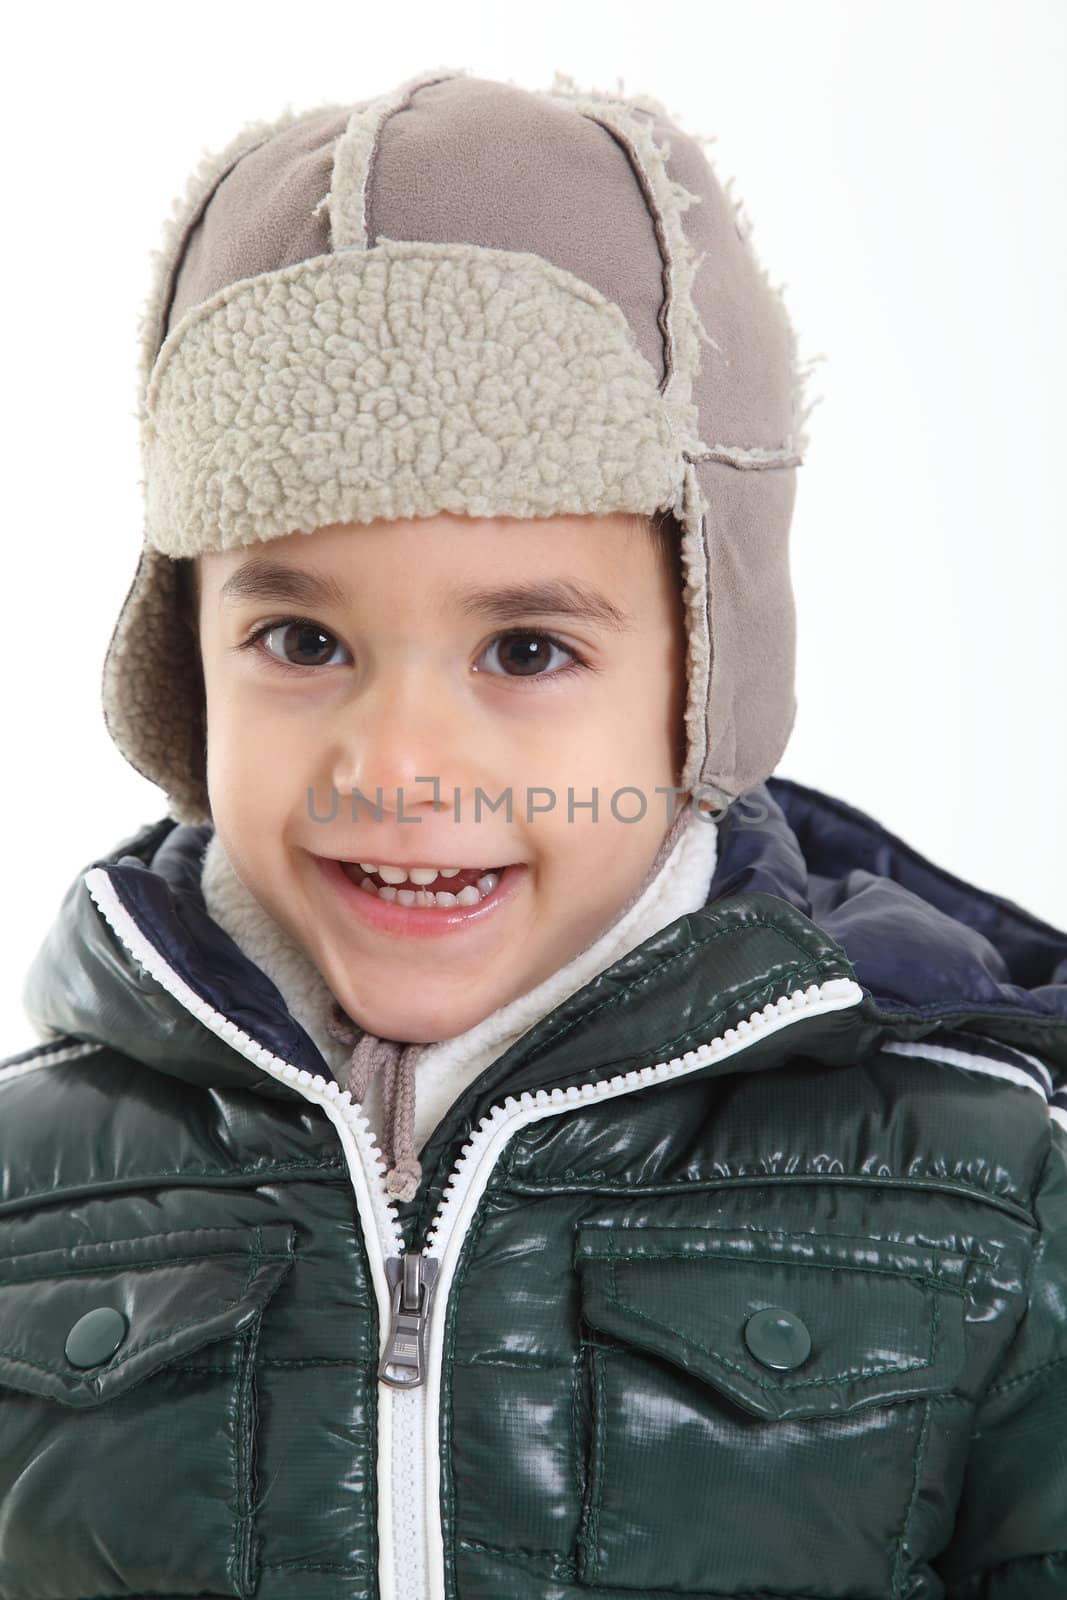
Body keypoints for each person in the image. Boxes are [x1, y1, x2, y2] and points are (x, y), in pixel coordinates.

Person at [1, 66, 1064, 1600]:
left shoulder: (980, 1195)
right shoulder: (36, 1196)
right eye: (301, 641)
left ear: (706, 679)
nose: (403, 767)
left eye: (525, 652)